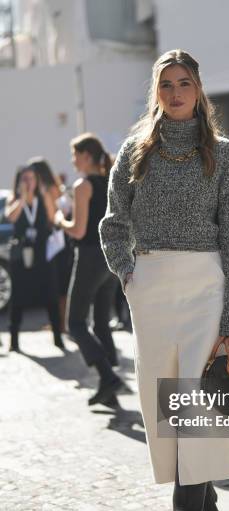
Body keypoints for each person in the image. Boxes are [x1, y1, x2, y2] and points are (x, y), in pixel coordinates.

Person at [99, 49, 229, 511]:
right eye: (166, 84)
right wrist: (128, 276)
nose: (175, 91)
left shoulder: (227, 157)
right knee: (170, 418)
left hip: (207, 294)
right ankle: (202, 493)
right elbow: (113, 222)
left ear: (199, 90)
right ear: (156, 92)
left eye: (184, 82)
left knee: (201, 414)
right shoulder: (135, 152)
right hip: (154, 296)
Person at [54, 133, 124, 405]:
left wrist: (61, 219)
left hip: (90, 257)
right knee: (101, 322)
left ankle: (108, 378)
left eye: (74, 155)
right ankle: (110, 392)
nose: (72, 161)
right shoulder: (111, 180)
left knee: (75, 323)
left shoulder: (83, 185)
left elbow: (79, 229)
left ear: (85, 156)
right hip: (111, 257)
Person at [5, 166, 64, 352]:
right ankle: (14, 340)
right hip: (21, 254)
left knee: (50, 293)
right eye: (25, 179)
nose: (29, 182)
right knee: (18, 296)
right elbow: (10, 217)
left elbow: (53, 217)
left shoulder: (43, 196)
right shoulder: (14, 199)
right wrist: (23, 198)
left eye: (31, 178)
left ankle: (57, 336)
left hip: (41, 253)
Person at [28, 157, 74, 332]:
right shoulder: (54, 187)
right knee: (59, 284)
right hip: (60, 240)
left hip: (57, 241)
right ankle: (60, 323)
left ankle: (62, 324)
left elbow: (51, 216)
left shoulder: (48, 189)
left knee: (60, 285)